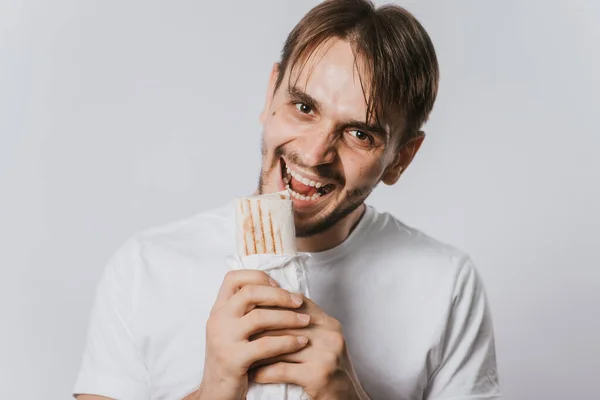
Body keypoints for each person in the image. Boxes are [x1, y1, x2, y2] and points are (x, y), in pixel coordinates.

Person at [73, 1, 502, 399]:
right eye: (303, 106)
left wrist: (346, 397)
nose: (315, 154)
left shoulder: (446, 285)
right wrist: (215, 389)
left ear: (400, 159)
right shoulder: (145, 267)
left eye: (359, 134)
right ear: (270, 94)